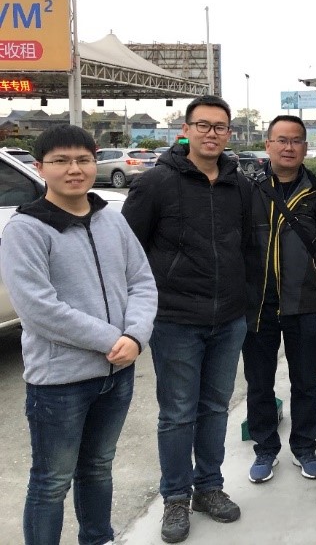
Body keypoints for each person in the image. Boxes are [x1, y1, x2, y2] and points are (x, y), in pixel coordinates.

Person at [0, 125, 157, 545]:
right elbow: (39, 309)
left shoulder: (111, 219)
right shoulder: (26, 229)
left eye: (83, 160)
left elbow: (142, 281)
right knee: (51, 481)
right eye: (61, 161)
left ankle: (98, 538)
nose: (74, 169)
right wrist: (111, 340)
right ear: (40, 168)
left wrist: (135, 335)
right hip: (60, 382)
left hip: (117, 373)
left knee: (98, 467)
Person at [121, 95, 251, 544]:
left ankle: (209, 487)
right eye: (203, 125)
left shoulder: (239, 185)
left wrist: (245, 300)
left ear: (229, 133)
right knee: (177, 413)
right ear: (186, 130)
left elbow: (247, 247)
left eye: (220, 127)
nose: (211, 134)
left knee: (215, 407)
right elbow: (130, 253)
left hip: (229, 319)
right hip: (176, 319)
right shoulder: (155, 183)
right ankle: (176, 497)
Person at [242, 115, 316, 484]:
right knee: (259, 382)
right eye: (282, 140)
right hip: (258, 305)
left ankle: (305, 448)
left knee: (305, 382)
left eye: (296, 140)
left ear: (305, 147)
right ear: (268, 145)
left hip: (304, 303)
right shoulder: (247, 190)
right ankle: (265, 448)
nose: (289, 147)